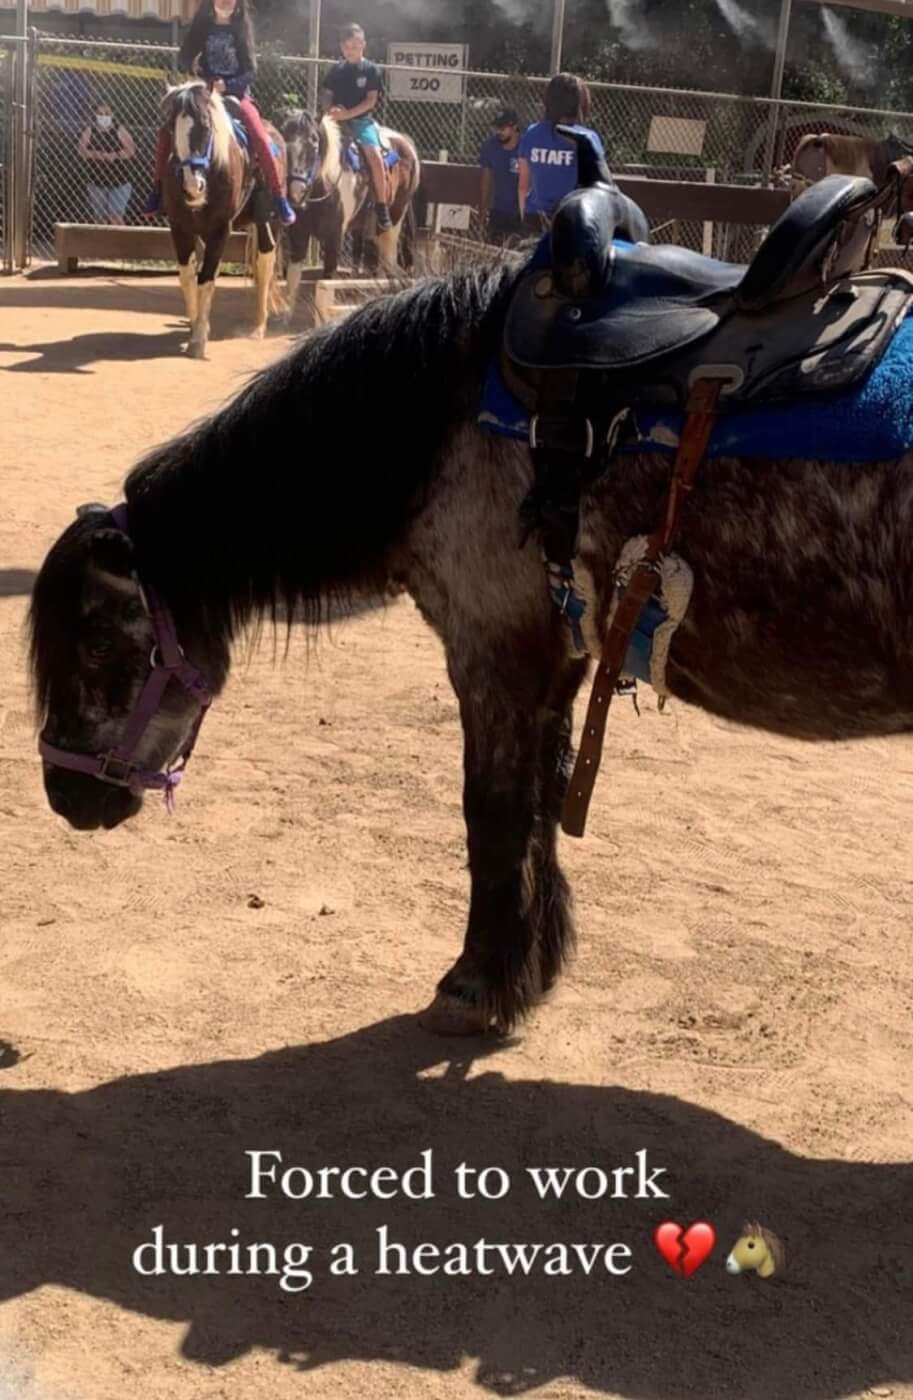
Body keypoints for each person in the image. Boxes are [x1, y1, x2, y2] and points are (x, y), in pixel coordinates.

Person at [144, 0, 295, 225]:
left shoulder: (241, 26)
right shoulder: (202, 24)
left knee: (260, 136)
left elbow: (251, 70)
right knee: (167, 130)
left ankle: (279, 197)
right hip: (203, 93)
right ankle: (157, 190)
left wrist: (228, 85)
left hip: (235, 94)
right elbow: (184, 56)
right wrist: (190, 66)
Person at [321, 22, 391, 233]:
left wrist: (348, 114)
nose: (351, 50)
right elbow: (326, 95)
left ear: (363, 45)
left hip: (362, 123)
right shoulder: (336, 70)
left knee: (375, 156)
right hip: (336, 123)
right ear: (342, 47)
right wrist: (331, 110)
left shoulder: (371, 70)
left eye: (355, 45)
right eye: (347, 46)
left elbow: (370, 101)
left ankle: (381, 205)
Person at [517, 72, 607, 231]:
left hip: (535, 216)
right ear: (580, 102)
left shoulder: (532, 133)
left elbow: (523, 185)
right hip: (574, 218)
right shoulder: (588, 139)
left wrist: (524, 216)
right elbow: (598, 186)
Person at [78, 100, 136, 225]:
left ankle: (122, 243)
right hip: (96, 181)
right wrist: (97, 155)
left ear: (112, 115)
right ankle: (101, 244)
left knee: (115, 217)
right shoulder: (90, 130)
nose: (103, 116)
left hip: (119, 180)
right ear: (95, 114)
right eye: (100, 113)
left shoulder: (119, 129)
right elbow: (81, 150)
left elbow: (131, 150)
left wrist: (115, 155)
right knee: (100, 219)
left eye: (107, 113)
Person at [479, 107, 524, 245]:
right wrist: (483, 208)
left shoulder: (526, 146)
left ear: (515, 127)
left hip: (521, 212)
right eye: (497, 128)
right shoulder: (489, 146)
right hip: (497, 210)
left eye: (503, 128)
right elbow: (486, 179)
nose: (498, 132)